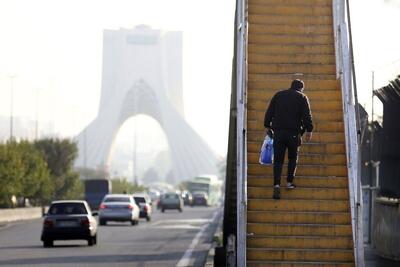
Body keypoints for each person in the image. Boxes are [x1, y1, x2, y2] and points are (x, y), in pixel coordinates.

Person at [264, 79, 313, 199]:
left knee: (278, 160)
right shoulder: (302, 97)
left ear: (291, 86)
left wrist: (267, 125)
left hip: (279, 132)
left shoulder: (279, 95)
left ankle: (276, 185)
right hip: (293, 133)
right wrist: (309, 130)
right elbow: (307, 116)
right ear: (301, 88)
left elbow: (269, 111)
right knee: (292, 158)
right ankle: (289, 182)